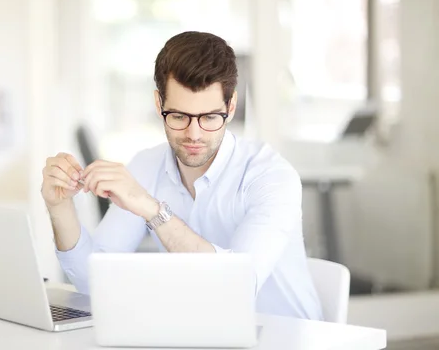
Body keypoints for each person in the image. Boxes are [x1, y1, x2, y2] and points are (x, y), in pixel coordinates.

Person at [42, 31, 323, 320]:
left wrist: (152, 209)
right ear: (158, 104)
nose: (194, 134)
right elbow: (92, 282)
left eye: (210, 117)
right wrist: (60, 207)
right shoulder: (147, 165)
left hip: (287, 339)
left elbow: (235, 288)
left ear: (231, 106)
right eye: (178, 116)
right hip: (201, 334)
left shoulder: (271, 177)